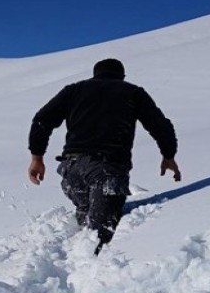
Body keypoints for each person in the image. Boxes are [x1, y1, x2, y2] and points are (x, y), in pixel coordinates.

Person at [27, 58, 180, 254]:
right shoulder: (132, 92)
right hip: (106, 170)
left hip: (71, 170)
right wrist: (169, 156)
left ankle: (75, 261)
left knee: (87, 216)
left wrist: (37, 159)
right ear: (122, 77)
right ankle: (88, 270)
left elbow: (41, 121)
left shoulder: (73, 90)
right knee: (100, 237)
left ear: (95, 75)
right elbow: (160, 125)